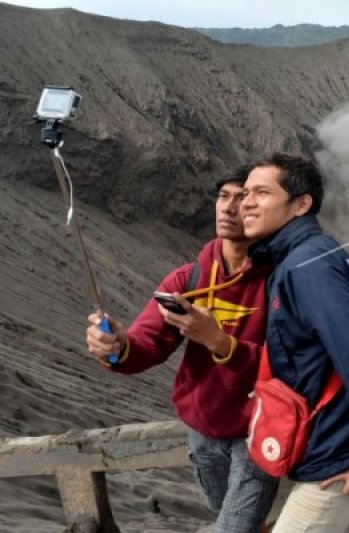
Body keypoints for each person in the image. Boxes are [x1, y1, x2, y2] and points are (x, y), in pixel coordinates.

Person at [85, 168, 279, 533]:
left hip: (258, 432)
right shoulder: (188, 280)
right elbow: (147, 345)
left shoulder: (281, 282)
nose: (229, 207)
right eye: (223, 196)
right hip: (203, 433)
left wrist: (218, 341)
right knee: (241, 524)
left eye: (243, 198)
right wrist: (116, 346)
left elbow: (289, 366)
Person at [241, 153, 349, 533]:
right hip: (327, 448)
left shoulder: (307, 266)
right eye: (246, 192)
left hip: (338, 458)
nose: (245, 201)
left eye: (262, 192)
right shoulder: (308, 258)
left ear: (301, 204)